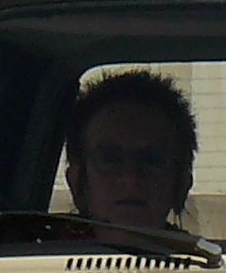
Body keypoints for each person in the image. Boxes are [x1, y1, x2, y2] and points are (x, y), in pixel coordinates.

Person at [63, 68, 199, 235]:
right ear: (76, 181)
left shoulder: (207, 260)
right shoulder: (37, 257)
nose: (131, 179)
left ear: (182, 183)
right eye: (109, 160)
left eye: (152, 160)